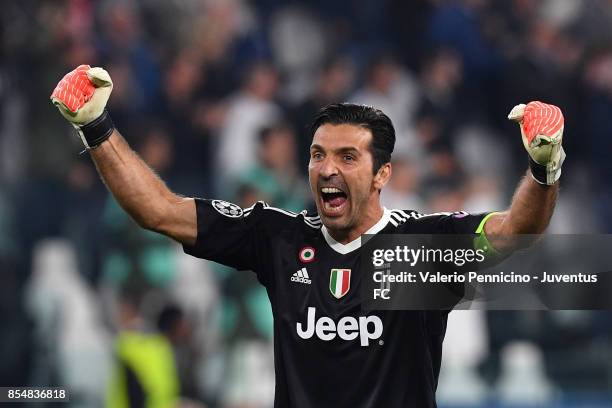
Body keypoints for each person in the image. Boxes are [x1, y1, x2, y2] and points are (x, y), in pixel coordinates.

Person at [50, 65, 565, 408]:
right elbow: (158, 210)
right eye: (318, 154)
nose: (327, 169)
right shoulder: (276, 236)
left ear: (382, 174)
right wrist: (96, 126)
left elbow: (516, 231)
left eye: (347, 157)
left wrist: (543, 169)